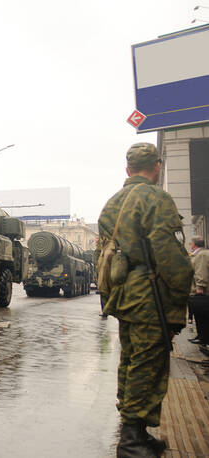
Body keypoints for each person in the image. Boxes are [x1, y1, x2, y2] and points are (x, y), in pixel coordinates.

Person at [96, 143, 193, 458]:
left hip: (125, 295)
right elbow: (171, 257)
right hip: (151, 297)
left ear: (128, 170)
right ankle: (132, 441)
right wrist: (181, 298)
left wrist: (110, 295)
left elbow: (104, 256)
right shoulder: (157, 199)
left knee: (131, 361)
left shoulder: (112, 204)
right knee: (148, 365)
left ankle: (134, 432)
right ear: (157, 167)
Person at [188, 237, 209, 348]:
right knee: (199, 314)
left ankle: (203, 337)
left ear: (194, 244)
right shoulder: (198, 254)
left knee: (202, 315)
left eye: (191, 243)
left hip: (201, 290)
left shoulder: (201, 255)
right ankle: (201, 336)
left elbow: (201, 271)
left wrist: (200, 287)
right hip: (197, 289)